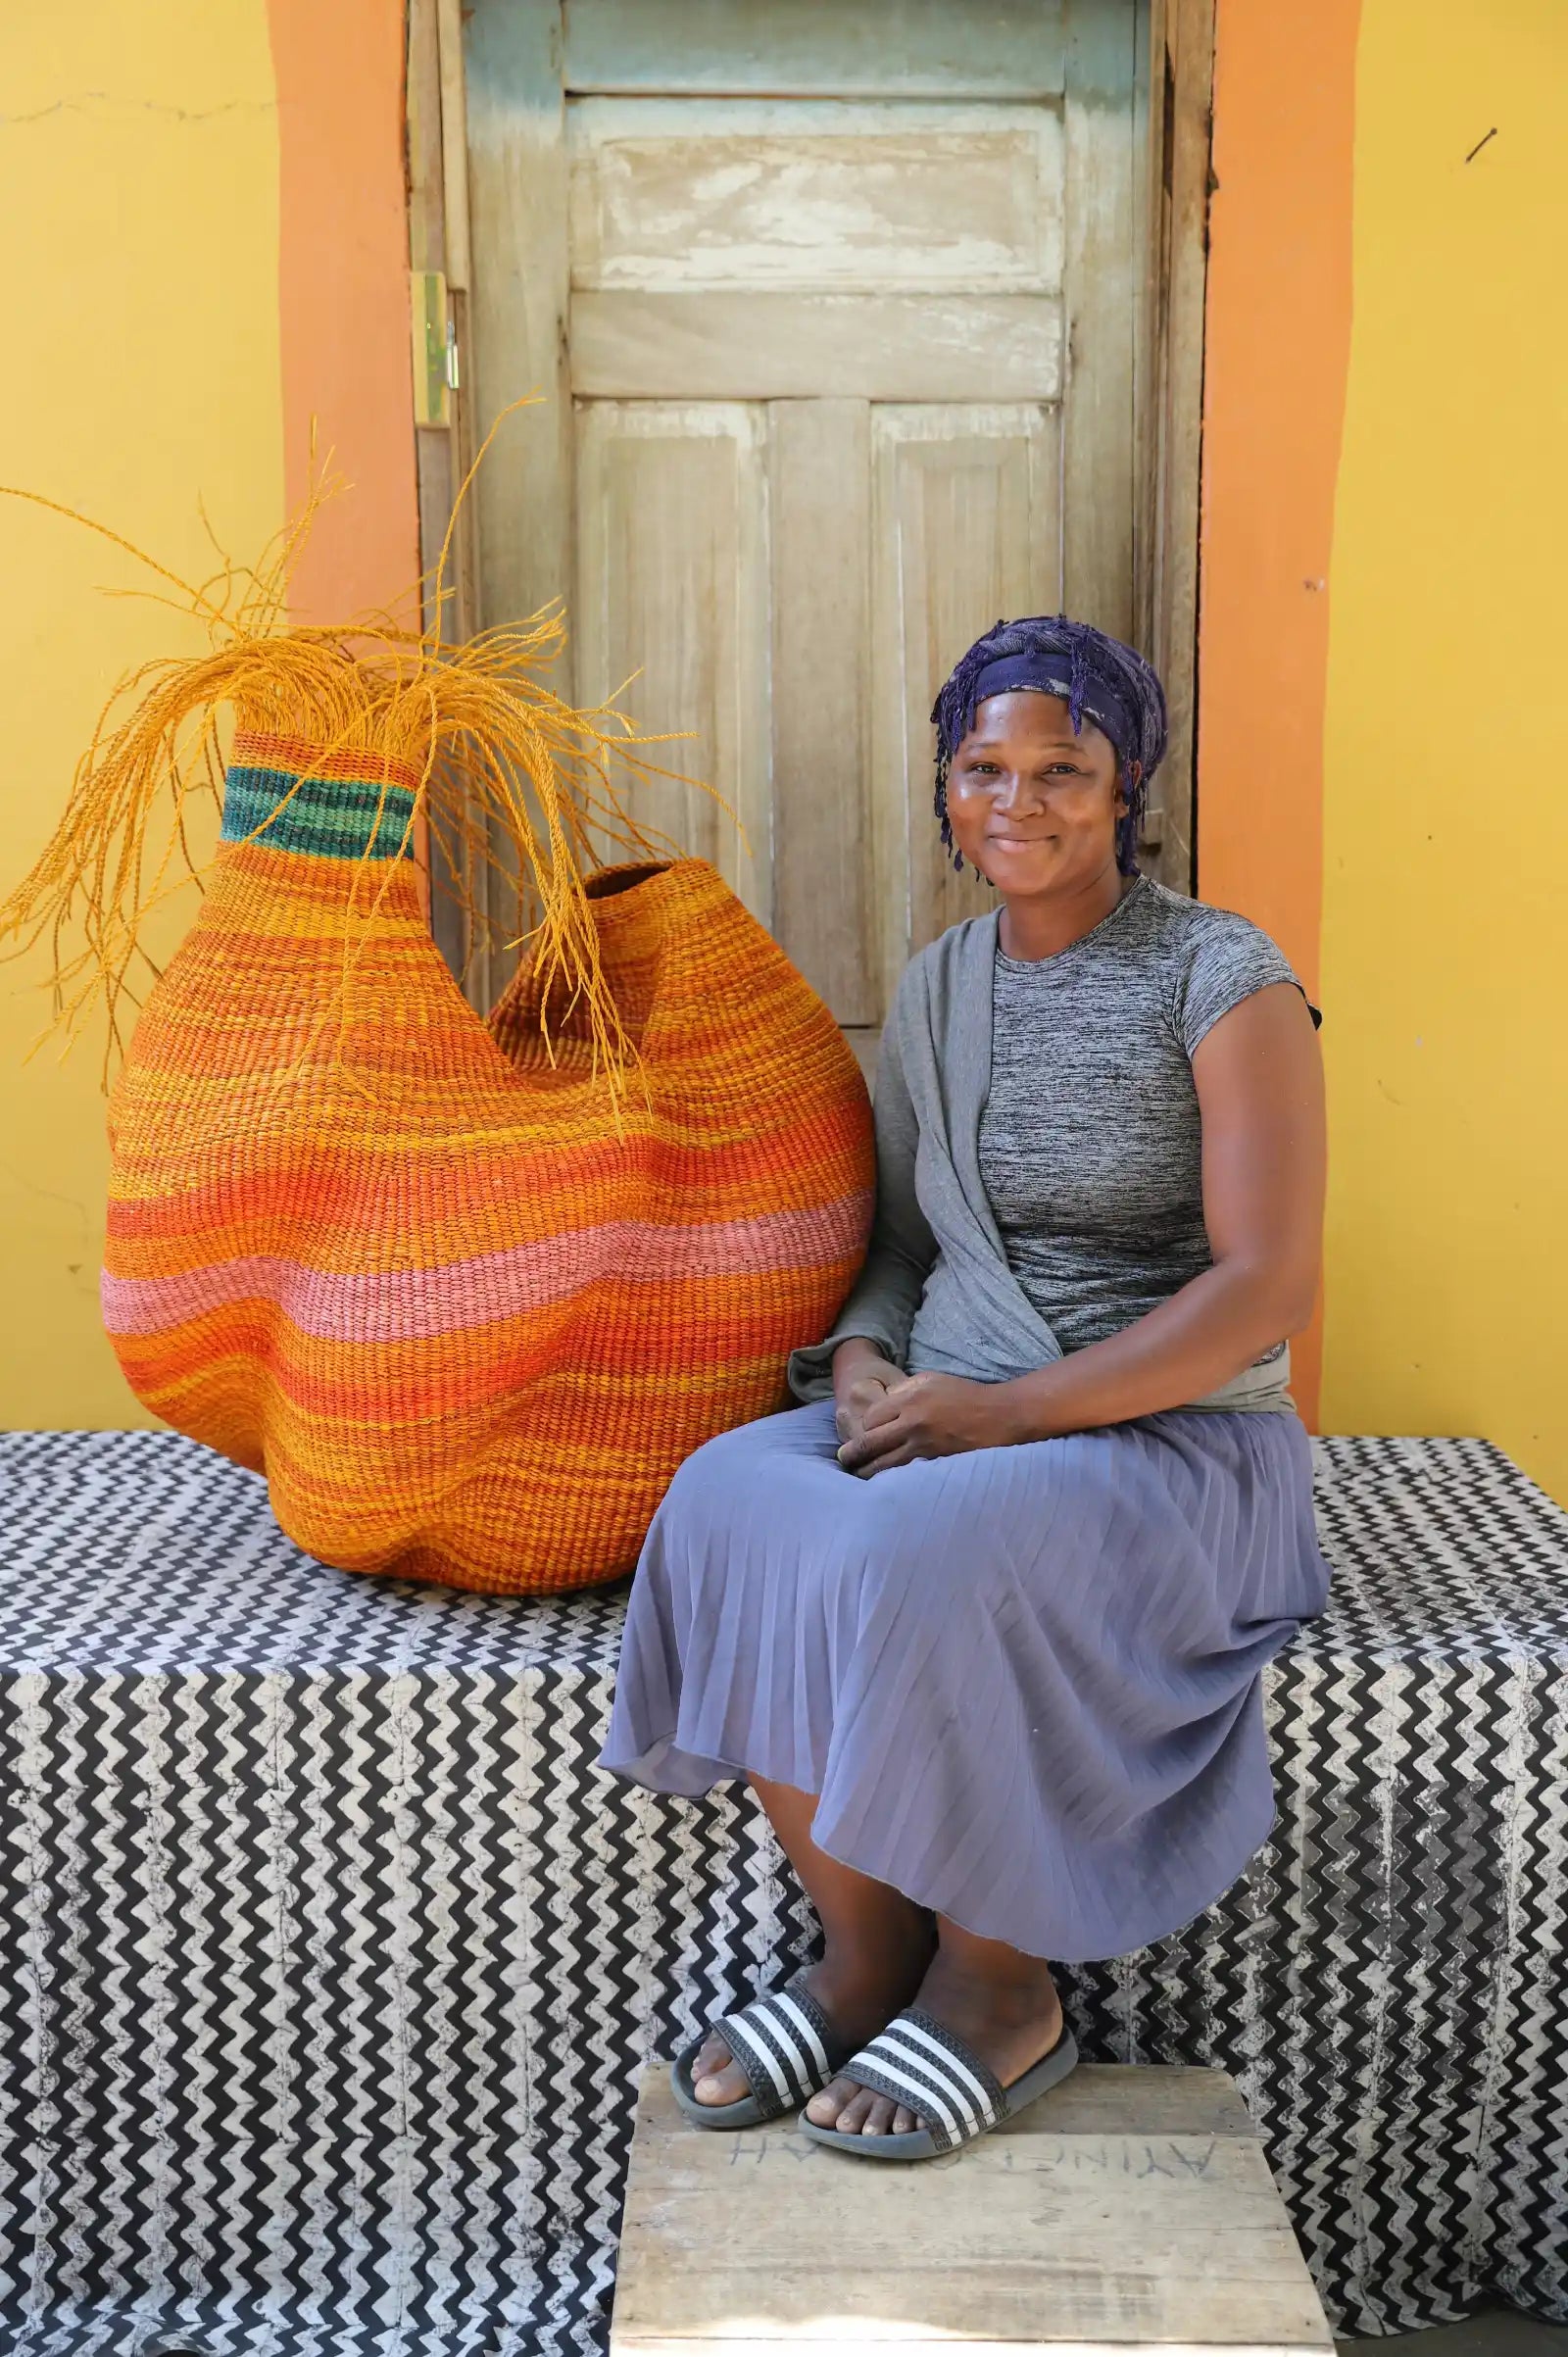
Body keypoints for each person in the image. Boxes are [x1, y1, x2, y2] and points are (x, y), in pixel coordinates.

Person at [599, 614, 1330, 2161]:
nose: (1018, 799)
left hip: (1178, 1443)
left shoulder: (1221, 974)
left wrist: (992, 1416)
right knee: (732, 1494)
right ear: (947, 789)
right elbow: (910, 1244)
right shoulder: (939, 985)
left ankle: (1001, 1988)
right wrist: (866, 1359)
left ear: (1125, 783)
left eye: (1061, 768)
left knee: (915, 1543)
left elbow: (1266, 1288)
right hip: (960, 1397)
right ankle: (869, 1956)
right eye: (984, 768)